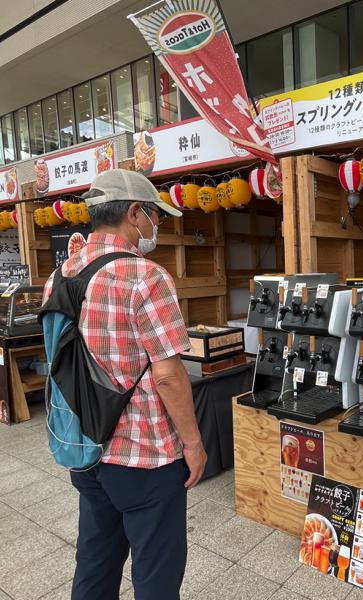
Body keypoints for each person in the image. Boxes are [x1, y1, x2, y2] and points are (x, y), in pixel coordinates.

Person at [42, 169, 207, 600]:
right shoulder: (145, 277)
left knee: (95, 560)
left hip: (85, 447)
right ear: (135, 213)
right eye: (155, 216)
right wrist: (193, 443)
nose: (157, 226)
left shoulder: (58, 277)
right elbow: (169, 375)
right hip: (144, 455)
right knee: (157, 571)